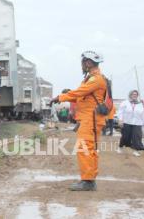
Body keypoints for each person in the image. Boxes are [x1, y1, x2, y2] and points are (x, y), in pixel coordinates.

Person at [50, 50, 107, 191]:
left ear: (88, 62)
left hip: (91, 119)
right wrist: (67, 94)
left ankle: (87, 181)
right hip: (88, 119)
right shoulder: (90, 79)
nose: (82, 65)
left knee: (85, 149)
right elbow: (80, 96)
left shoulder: (96, 79)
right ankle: (89, 179)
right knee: (88, 149)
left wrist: (60, 97)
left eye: (83, 62)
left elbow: (78, 93)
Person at [116, 90, 144, 156]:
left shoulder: (140, 104)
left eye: (136, 94)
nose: (134, 95)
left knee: (137, 137)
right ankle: (120, 147)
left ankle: (136, 150)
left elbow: (143, 114)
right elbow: (120, 111)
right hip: (127, 122)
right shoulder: (125, 103)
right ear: (130, 95)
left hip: (137, 123)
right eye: (133, 94)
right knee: (125, 136)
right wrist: (120, 119)